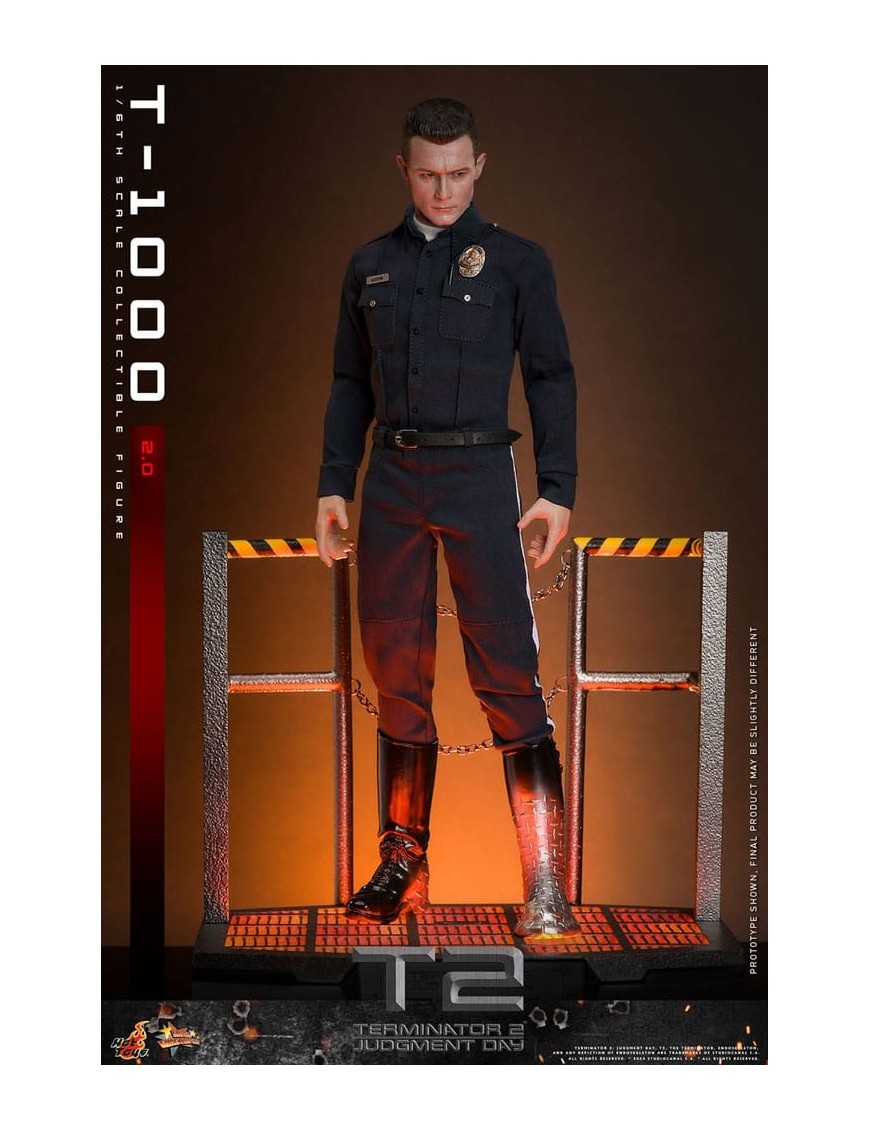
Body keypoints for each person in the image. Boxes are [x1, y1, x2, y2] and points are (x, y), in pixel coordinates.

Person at [315, 98, 580, 936]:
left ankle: (546, 879)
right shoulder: (369, 267)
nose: (443, 190)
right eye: (428, 174)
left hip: (478, 476)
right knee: (395, 670)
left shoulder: (517, 263)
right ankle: (403, 863)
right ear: (405, 169)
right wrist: (333, 483)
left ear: (479, 166)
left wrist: (557, 488)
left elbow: (550, 376)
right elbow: (349, 382)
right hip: (392, 479)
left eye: (458, 173)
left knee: (508, 672)